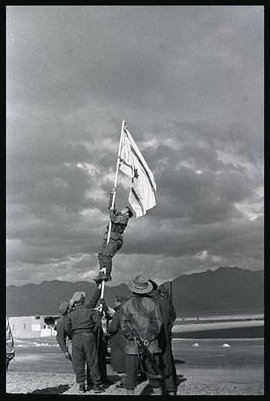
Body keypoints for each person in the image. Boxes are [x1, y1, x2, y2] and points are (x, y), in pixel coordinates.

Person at [120, 276, 164, 395]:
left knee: (130, 377)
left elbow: (124, 326)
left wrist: (133, 338)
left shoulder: (127, 304)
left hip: (132, 347)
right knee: (154, 376)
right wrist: (148, 338)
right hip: (151, 346)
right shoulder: (153, 303)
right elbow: (157, 324)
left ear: (133, 288)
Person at [65, 291, 104, 394]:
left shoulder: (71, 314)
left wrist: (74, 335)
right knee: (92, 362)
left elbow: (67, 328)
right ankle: (96, 385)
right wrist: (93, 331)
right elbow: (98, 323)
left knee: (78, 362)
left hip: (76, 338)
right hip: (89, 337)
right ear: (83, 300)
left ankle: (81, 385)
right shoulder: (90, 311)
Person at [94, 188, 133, 283]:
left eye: (125, 210)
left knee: (107, 255)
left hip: (115, 239)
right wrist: (112, 195)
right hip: (108, 236)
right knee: (101, 255)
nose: (123, 210)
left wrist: (112, 211)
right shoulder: (119, 215)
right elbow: (111, 207)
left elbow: (113, 218)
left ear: (127, 213)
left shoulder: (124, 219)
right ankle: (101, 272)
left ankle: (107, 274)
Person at [148, 280, 177, 395]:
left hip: (155, 339)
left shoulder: (150, 303)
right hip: (166, 336)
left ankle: (158, 391)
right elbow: (173, 316)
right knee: (167, 363)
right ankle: (171, 390)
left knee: (154, 365)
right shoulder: (165, 301)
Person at [107, 294, 127, 387]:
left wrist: (108, 328)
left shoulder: (118, 313)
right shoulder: (127, 311)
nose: (114, 303)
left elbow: (113, 328)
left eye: (116, 301)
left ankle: (125, 381)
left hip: (118, 340)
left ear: (120, 302)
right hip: (127, 340)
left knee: (119, 363)